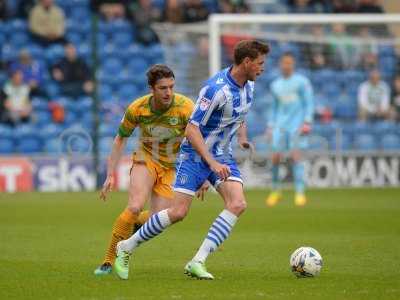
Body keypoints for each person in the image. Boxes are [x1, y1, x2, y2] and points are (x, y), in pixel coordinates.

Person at [114, 40, 270, 280]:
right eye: (260, 63)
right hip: (194, 155)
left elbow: (239, 116)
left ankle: (197, 261)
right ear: (247, 62)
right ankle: (126, 247)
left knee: (237, 204)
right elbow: (192, 130)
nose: (263, 68)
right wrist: (212, 164)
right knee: (177, 213)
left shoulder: (249, 86)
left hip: (221, 154)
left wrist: (242, 138)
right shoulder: (215, 90)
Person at [94, 64, 195, 276]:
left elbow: (197, 140)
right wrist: (110, 174)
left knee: (158, 220)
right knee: (135, 206)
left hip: (171, 166)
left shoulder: (186, 107)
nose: (168, 92)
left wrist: (201, 175)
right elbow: (120, 138)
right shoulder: (137, 108)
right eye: (162, 88)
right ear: (151, 88)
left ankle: (130, 228)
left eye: (171, 87)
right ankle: (108, 260)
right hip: (146, 159)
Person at [265, 52, 314, 207]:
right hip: (280, 125)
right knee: (275, 157)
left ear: (293, 64)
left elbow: (309, 103)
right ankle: (275, 190)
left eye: (289, 63)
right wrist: (270, 125)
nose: (286, 66)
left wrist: (307, 121)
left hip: (297, 124)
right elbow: (274, 107)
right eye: (284, 63)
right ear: (281, 64)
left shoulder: (302, 82)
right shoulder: (275, 85)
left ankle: (299, 192)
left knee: (296, 156)